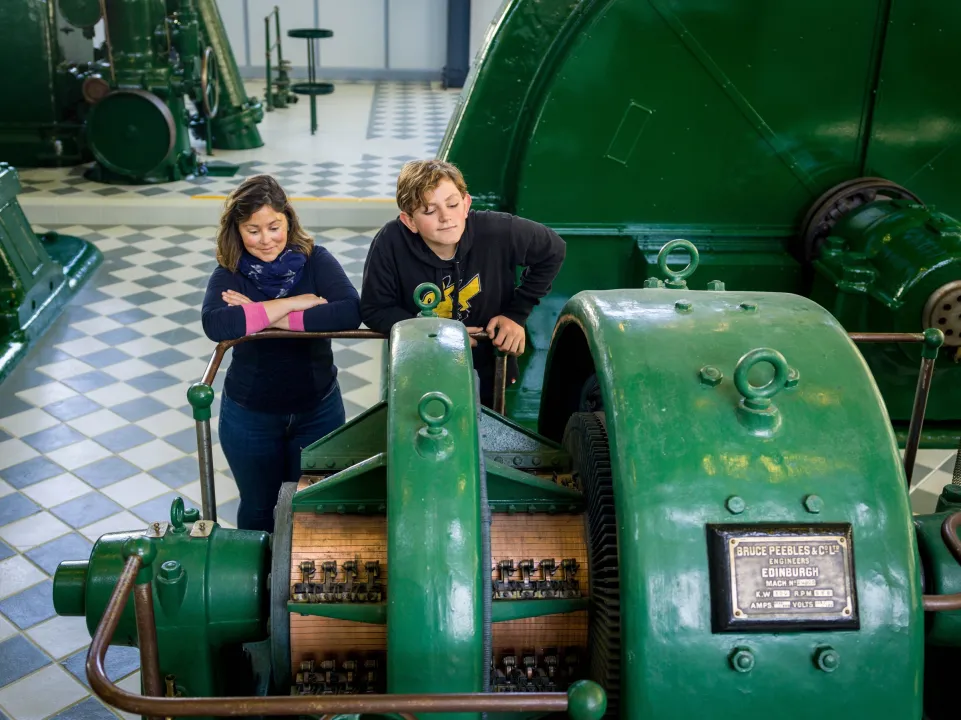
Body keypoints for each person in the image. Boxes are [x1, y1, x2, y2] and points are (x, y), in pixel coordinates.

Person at [201, 174, 361, 532]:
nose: (266, 239)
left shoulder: (315, 260)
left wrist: (261, 315)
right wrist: (295, 304)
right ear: (237, 230)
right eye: (252, 230)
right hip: (250, 417)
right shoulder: (230, 272)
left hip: (318, 410)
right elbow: (218, 324)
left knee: (313, 508)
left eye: (274, 226)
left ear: (288, 219)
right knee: (259, 510)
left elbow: (349, 310)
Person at [360, 160, 566, 408]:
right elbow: (374, 309)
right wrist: (434, 333)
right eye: (429, 210)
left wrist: (516, 314)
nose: (445, 217)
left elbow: (553, 249)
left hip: (491, 369)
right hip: (421, 372)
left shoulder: (497, 230)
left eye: (453, 204)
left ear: (466, 203)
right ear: (409, 221)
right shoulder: (390, 242)